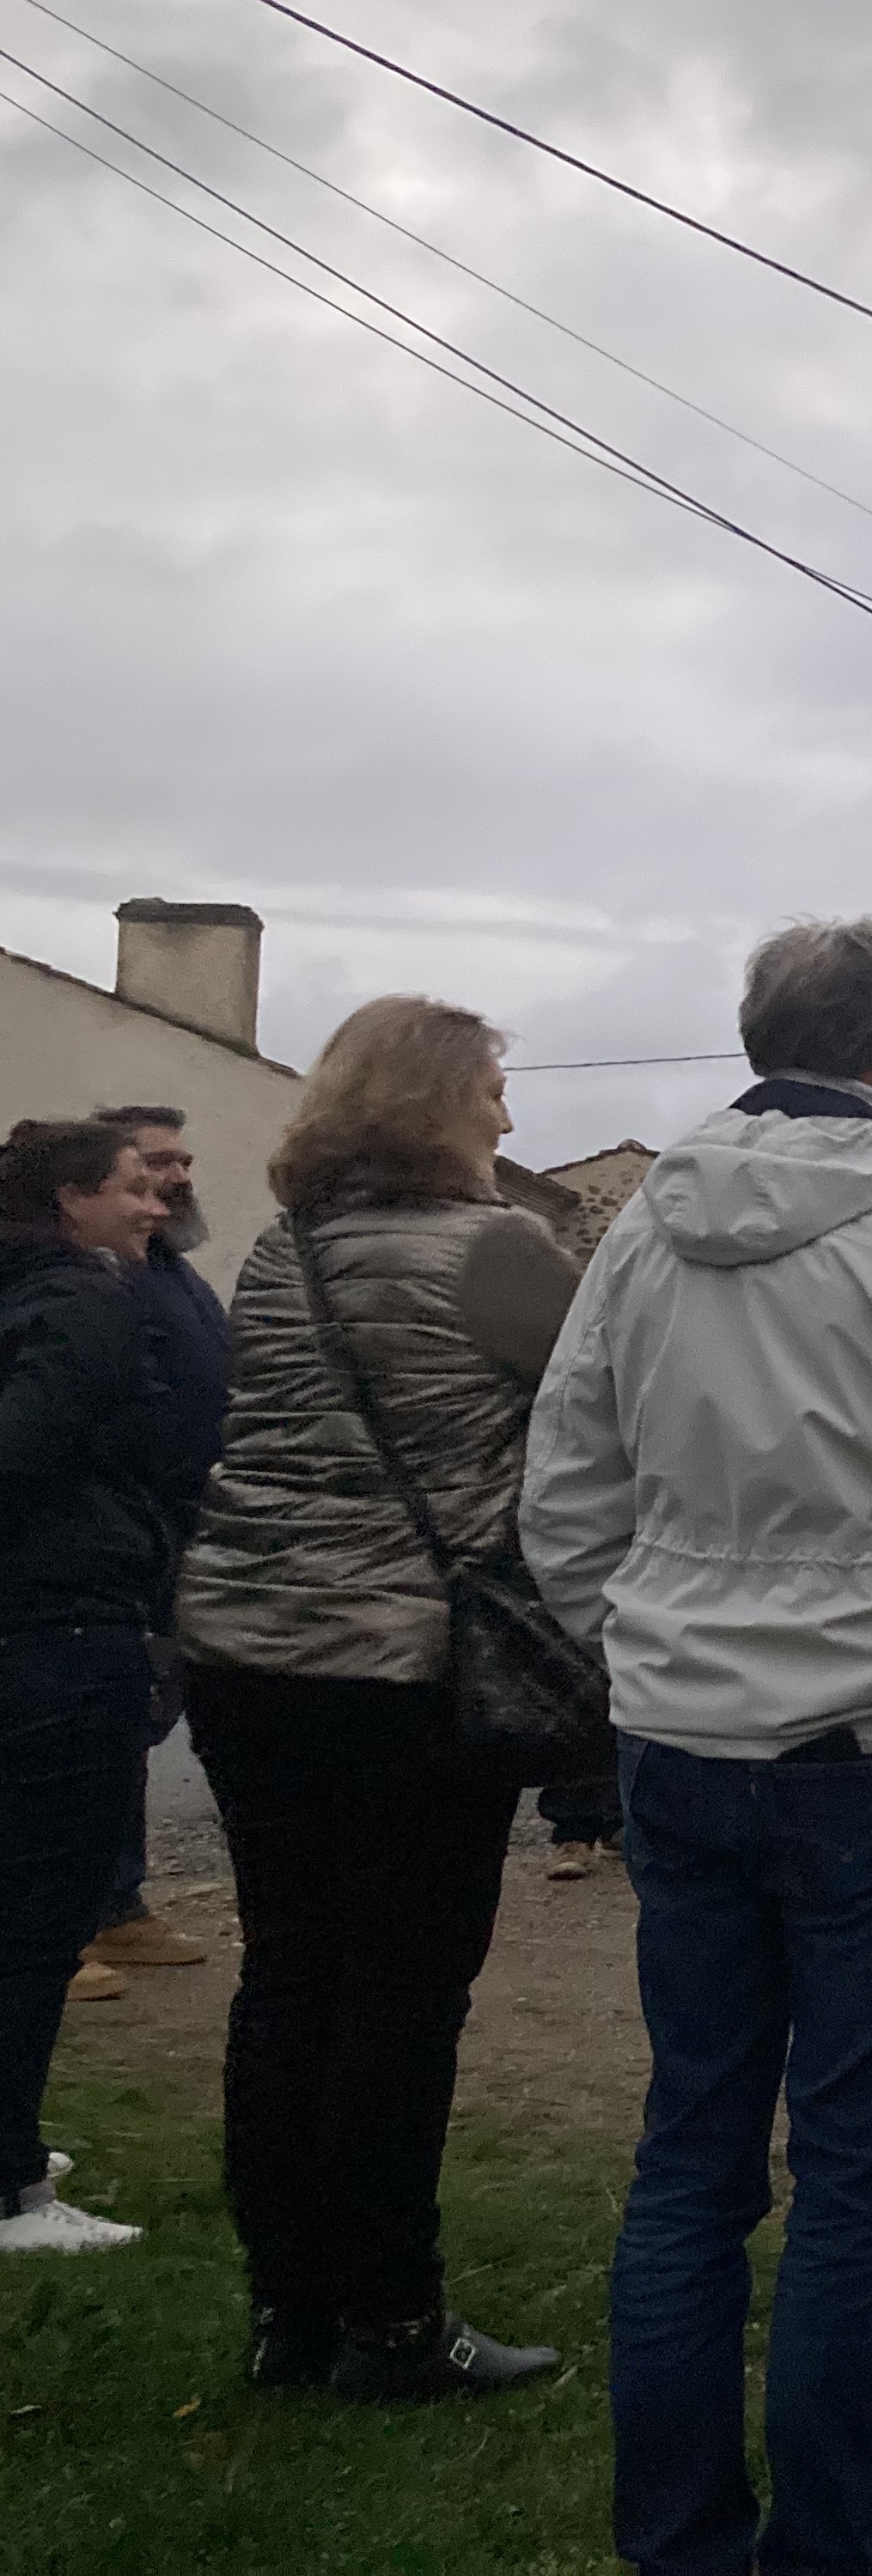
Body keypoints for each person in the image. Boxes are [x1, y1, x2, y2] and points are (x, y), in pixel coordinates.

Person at [523, 917, 872, 2576]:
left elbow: (563, 1493)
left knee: (690, 2153)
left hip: (683, 1746)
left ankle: (680, 2542)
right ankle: (829, 2548)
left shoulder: (644, 1232)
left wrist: (644, 1653)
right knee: (853, 2177)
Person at [172, 999, 581, 2389]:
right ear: (435, 1099)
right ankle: (394, 2320)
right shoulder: (498, 1249)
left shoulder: (282, 1251)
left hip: (242, 1650)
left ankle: (289, 2310)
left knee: (288, 1978)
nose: (507, 1117)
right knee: (400, 1999)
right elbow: (605, 1411)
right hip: (403, 1664)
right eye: (492, 1087)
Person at [0, 1119, 174, 2253]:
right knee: (35, 1919)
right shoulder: (91, 1299)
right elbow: (27, 1448)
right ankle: (15, 2192)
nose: (154, 1205)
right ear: (71, 1201)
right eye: (132, 1189)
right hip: (63, 1626)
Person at [76, 1104, 230, 1982]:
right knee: (85, 1725)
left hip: (176, 1527)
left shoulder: (171, 1270)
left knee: (135, 1717)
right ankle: (62, 1919)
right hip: (116, 1530)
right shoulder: (93, 1276)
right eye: (155, 1167)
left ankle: (115, 1903)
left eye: (183, 1161)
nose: (176, 1182)